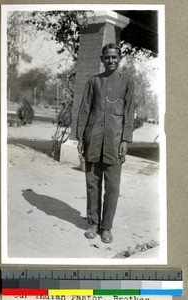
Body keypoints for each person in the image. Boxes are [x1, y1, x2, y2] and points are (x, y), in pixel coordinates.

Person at [76, 43, 135, 243]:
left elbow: (129, 114)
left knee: (113, 187)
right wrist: (80, 137)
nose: (111, 60)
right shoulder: (93, 82)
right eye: (107, 57)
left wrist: (125, 140)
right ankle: (93, 223)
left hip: (114, 141)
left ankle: (106, 227)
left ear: (119, 59)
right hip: (92, 138)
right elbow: (84, 110)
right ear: (102, 59)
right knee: (92, 183)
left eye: (114, 57)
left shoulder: (127, 82)